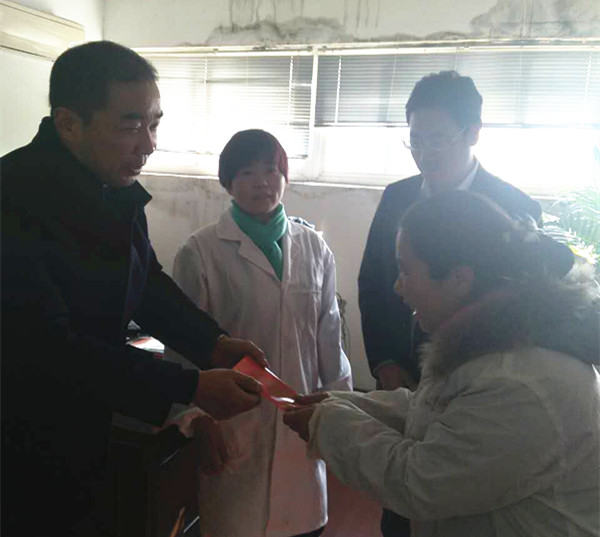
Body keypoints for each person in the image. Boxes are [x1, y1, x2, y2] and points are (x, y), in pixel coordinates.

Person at [1, 41, 267, 537]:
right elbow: (47, 346)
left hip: (87, 421)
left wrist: (211, 343)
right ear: (68, 124)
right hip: (21, 432)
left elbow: (145, 283)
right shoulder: (13, 198)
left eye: (154, 124)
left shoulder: (110, 185)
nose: (148, 145)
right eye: (130, 126)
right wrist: (189, 387)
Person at [284, 190, 599, 537]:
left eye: (406, 271)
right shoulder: (490, 345)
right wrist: (341, 403)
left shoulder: (524, 381)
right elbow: (436, 411)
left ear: (459, 279)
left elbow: (420, 483)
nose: (397, 287)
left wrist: (329, 424)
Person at [358, 71, 543, 535]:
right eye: (416, 140)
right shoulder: (397, 197)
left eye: (438, 139)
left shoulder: (514, 207)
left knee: (458, 501)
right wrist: (385, 362)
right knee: (399, 500)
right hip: (403, 373)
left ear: (473, 132)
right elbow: (375, 283)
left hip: (479, 385)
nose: (425, 153)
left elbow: (521, 311)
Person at [164, 129, 352, 537]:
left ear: (285, 177)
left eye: (271, 171)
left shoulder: (315, 249)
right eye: (247, 173)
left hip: (301, 418)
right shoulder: (201, 251)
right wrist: (196, 419)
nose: (262, 182)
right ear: (228, 182)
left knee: (303, 524)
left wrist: (339, 409)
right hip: (233, 422)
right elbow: (182, 345)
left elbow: (330, 338)